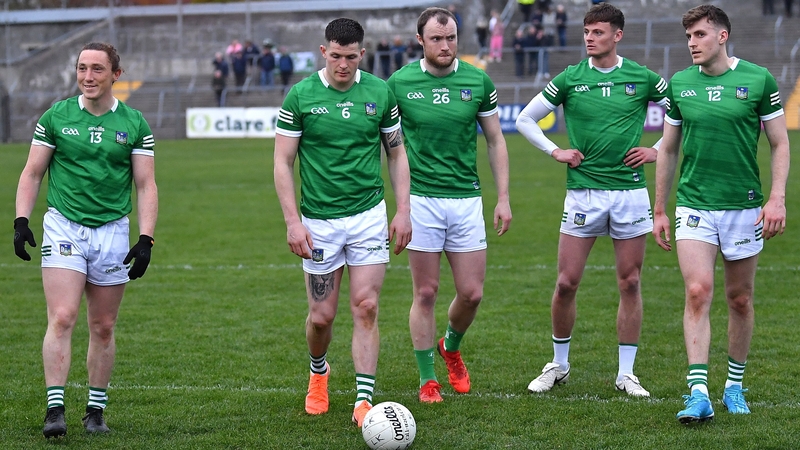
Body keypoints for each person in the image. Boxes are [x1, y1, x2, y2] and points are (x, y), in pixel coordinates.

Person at [515, 3, 668, 398]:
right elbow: (525, 119)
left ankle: (626, 373)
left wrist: (658, 148)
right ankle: (558, 364)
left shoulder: (642, 77)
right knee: (566, 282)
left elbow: (683, 114)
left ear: (617, 35)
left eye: (598, 32)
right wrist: (554, 150)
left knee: (630, 282)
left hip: (630, 194)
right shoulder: (570, 78)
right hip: (583, 193)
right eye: (586, 31)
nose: (589, 38)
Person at [652, 5, 790, 424]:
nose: (692, 43)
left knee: (740, 299)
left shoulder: (758, 79)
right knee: (698, 291)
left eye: (699, 35)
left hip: (744, 207)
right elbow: (668, 149)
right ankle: (698, 392)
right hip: (694, 205)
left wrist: (777, 198)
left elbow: (780, 143)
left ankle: (733, 386)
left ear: (722, 36)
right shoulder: (680, 84)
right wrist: (659, 208)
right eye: (688, 36)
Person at [13, 42, 158, 438]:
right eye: (82, 68)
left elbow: (146, 185)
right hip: (64, 226)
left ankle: (95, 411)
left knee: (104, 325)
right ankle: (54, 409)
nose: (88, 76)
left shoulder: (135, 123)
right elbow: (32, 173)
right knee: (62, 316)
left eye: (97, 69)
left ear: (116, 74)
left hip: (112, 231)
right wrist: (21, 220)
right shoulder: (56, 117)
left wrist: (146, 238)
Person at [273, 18, 412, 428]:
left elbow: (397, 153)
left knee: (366, 306)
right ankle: (319, 372)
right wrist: (292, 222)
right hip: (319, 221)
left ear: (362, 54)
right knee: (321, 317)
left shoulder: (379, 92)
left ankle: (364, 400)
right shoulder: (301, 96)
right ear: (323, 52)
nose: (343, 65)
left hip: (368, 216)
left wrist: (403, 210)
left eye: (351, 57)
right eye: (336, 56)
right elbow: (282, 162)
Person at [387, 7, 512, 403]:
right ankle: (428, 380)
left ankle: (451, 347)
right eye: (437, 38)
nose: (445, 45)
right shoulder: (399, 83)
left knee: (472, 293)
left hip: (466, 200)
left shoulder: (478, 80)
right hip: (421, 200)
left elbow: (495, 140)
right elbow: (387, 144)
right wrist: (400, 206)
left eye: (451, 37)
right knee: (425, 292)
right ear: (420, 41)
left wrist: (503, 198)